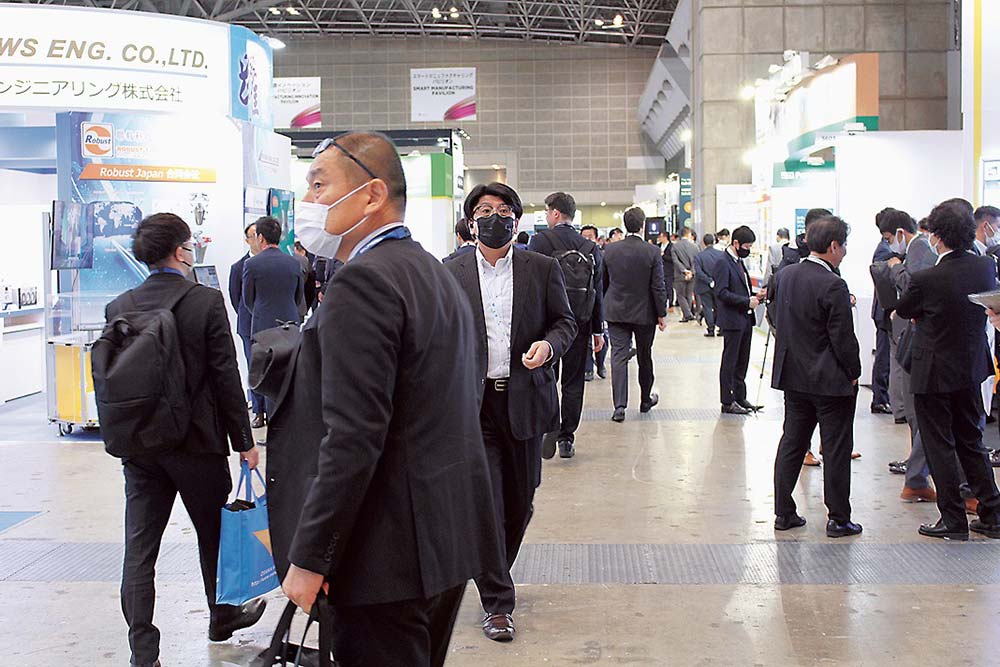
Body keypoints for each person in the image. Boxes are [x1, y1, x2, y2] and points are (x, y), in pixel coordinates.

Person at [281, 132, 501, 665]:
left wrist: (311, 557)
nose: (307, 202)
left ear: (372, 194)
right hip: (445, 538)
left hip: (385, 555)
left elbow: (354, 436)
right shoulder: (436, 273)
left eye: (319, 184)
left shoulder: (364, 284)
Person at [108, 213, 264, 667]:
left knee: (140, 549)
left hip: (140, 448)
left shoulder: (120, 306)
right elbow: (224, 375)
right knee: (213, 536)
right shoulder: (205, 302)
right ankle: (221, 617)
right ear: (181, 252)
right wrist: (244, 441)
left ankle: (143, 653)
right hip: (196, 444)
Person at [445, 182, 577, 643]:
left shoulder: (541, 268)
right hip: (473, 406)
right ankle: (498, 602)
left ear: (517, 220)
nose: (493, 217)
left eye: (503, 210)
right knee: (486, 505)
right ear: (470, 220)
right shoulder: (451, 270)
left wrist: (549, 345)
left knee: (519, 505)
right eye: (484, 210)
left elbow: (566, 322)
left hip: (523, 400)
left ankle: (493, 568)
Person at [895, 200, 1000, 541]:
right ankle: (992, 512)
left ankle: (952, 519)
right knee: (972, 441)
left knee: (940, 445)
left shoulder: (927, 278)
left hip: (933, 372)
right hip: (970, 368)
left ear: (937, 237)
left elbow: (904, 309)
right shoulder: (985, 267)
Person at [771, 215, 862, 538]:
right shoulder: (834, 284)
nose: (846, 251)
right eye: (845, 245)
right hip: (829, 381)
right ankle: (838, 517)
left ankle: (784, 512)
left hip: (794, 377)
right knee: (836, 448)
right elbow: (842, 337)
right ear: (834, 246)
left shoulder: (786, 275)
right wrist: (854, 373)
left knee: (792, 442)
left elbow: (774, 316)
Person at [528, 191, 605, 460]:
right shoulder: (590, 247)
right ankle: (566, 437)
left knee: (547, 377)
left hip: (547, 326)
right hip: (580, 324)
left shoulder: (540, 242)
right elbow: (597, 291)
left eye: (548, 212)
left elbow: (530, 285)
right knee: (574, 382)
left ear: (556, 213)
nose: (547, 216)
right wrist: (598, 329)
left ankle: (549, 425)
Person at [882, 211, 937, 502]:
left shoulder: (918, 249)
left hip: (922, 344)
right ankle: (916, 478)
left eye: (891, 238)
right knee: (925, 416)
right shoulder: (919, 250)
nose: (891, 245)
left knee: (926, 416)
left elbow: (913, 287)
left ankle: (917, 478)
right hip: (917, 343)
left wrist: (895, 268)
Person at [602, 207, 668, 423]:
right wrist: (661, 313)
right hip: (644, 313)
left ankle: (619, 406)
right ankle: (645, 399)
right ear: (643, 225)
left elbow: (603, 283)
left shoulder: (610, 251)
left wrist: (605, 305)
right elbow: (658, 286)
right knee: (644, 355)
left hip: (616, 311)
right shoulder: (651, 251)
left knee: (618, 357)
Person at [242, 216, 304, 427]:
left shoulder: (252, 264)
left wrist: (261, 312)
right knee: (289, 375)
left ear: (260, 237)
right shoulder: (293, 262)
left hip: (263, 328)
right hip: (290, 326)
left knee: (267, 378)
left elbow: (248, 299)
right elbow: (298, 297)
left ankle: (272, 427)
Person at [713, 225, 764, 415]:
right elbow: (721, 292)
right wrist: (745, 301)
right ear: (736, 243)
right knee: (730, 361)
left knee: (743, 360)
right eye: (746, 246)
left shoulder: (738, 262)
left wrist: (756, 296)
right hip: (732, 320)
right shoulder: (723, 262)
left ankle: (740, 397)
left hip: (744, 319)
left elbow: (741, 287)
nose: (748, 250)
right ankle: (727, 401)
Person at [228, 221, 262, 420]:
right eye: (253, 235)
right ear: (247, 240)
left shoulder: (276, 262)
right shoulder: (238, 267)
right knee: (254, 368)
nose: (257, 239)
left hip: (272, 325)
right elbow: (236, 298)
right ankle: (258, 410)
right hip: (248, 326)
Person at [870, 208, 897, 416]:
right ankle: (880, 399)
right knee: (883, 356)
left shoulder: (886, 247)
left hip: (884, 311)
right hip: (884, 311)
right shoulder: (884, 250)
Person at [582, 224, 609, 381]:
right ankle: (588, 368)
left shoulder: (603, 255)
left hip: (601, 302)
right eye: (583, 236)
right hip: (583, 303)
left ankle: (601, 363)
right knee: (585, 339)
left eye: (589, 236)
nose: (586, 239)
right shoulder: (576, 257)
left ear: (597, 239)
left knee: (603, 336)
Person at [694, 233, 725, 337]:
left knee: (707, 308)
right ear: (714, 241)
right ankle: (721, 328)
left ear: (703, 242)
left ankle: (710, 329)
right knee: (719, 306)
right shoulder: (721, 254)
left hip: (704, 286)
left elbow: (698, 272)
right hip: (719, 286)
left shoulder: (699, 256)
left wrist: (709, 280)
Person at [672, 226, 700, 322]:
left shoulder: (675, 246)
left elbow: (675, 261)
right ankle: (687, 314)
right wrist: (691, 271)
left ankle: (687, 314)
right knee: (688, 294)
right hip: (692, 275)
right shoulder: (695, 246)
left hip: (680, 274)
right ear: (689, 234)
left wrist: (684, 270)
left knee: (680, 295)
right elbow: (696, 261)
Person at [292, 241, 315, 320]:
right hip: (299, 308)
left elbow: (310, 286)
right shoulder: (304, 261)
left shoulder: (303, 261)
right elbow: (310, 288)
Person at [658, 230, 676, 310]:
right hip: (660, 270)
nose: (659, 238)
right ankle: (663, 303)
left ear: (665, 237)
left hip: (669, 270)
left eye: (661, 237)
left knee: (669, 287)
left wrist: (663, 255)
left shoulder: (671, 246)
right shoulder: (658, 246)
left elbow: (673, 259)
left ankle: (671, 303)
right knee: (662, 288)